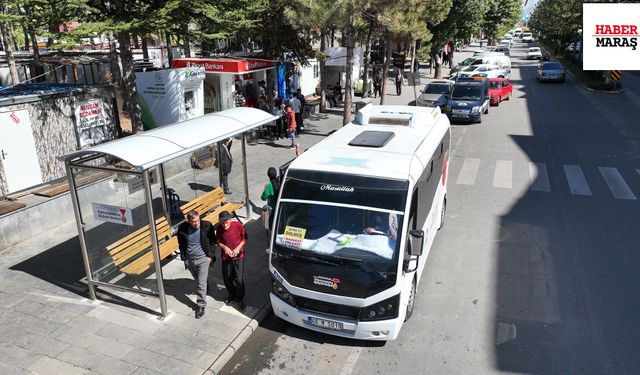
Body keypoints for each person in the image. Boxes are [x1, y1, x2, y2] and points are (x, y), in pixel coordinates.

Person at [177, 210, 216, 319]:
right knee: (198, 279)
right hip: (190, 260)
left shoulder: (206, 226)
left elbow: (213, 241)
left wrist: (210, 256)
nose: (197, 223)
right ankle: (205, 286)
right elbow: (181, 243)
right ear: (188, 221)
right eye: (194, 221)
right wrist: (184, 258)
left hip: (203, 259)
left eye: (198, 220)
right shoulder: (182, 228)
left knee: (200, 284)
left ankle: (201, 305)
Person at [215, 211, 247, 309]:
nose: (225, 225)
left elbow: (245, 238)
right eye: (222, 222)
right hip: (226, 257)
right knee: (227, 278)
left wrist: (238, 248)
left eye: (227, 222)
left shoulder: (238, 225)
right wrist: (224, 247)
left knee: (238, 279)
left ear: (230, 220)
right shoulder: (219, 228)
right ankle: (232, 294)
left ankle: (240, 298)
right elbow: (217, 241)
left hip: (238, 257)